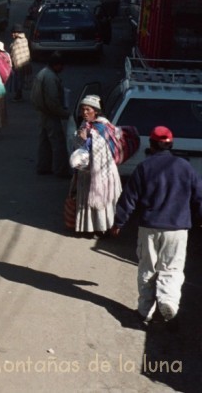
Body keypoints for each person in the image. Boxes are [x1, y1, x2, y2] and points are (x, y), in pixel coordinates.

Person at [111, 126, 202, 330]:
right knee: (172, 267)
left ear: (151, 145)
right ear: (171, 145)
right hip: (178, 228)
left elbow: (129, 198)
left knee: (147, 268)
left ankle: (145, 311)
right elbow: (199, 197)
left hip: (149, 227)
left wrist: (118, 222)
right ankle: (168, 301)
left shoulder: (144, 167)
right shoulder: (185, 167)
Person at [69, 94, 122, 235]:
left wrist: (87, 140)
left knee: (101, 201)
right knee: (87, 202)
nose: (84, 113)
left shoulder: (103, 127)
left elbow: (101, 149)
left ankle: (103, 229)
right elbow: (77, 145)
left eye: (88, 110)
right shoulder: (85, 125)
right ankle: (89, 228)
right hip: (87, 174)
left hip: (102, 174)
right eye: (82, 110)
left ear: (96, 111)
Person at [32, 52, 71, 177]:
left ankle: (43, 166)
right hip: (50, 114)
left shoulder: (43, 73)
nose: (63, 68)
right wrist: (64, 114)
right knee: (58, 142)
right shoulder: (50, 78)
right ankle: (61, 170)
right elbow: (52, 101)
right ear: (56, 65)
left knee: (44, 141)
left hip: (43, 112)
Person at [7, 26, 31, 101]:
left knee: (18, 80)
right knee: (21, 79)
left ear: (18, 33)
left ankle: (18, 96)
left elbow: (13, 52)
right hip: (25, 62)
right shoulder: (25, 39)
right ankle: (19, 94)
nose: (12, 34)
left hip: (19, 63)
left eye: (14, 33)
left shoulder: (17, 41)